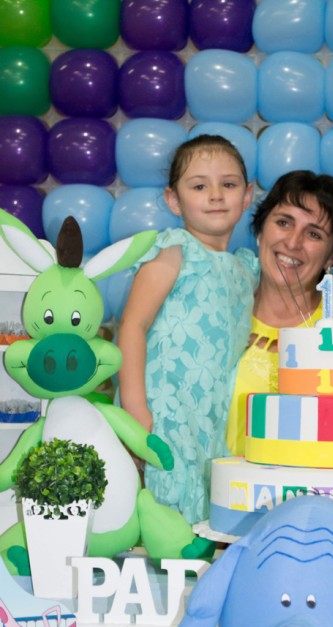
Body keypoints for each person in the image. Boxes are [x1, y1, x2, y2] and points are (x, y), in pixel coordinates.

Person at [118, 134, 259, 525]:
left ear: (247, 195)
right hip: (165, 406)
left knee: (204, 501)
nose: (215, 195)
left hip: (212, 411)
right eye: (199, 186)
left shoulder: (245, 268)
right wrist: (135, 407)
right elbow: (133, 325)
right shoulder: (175, 250)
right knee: (164, 498)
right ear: (174, 200)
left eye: (228, 184)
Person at [226, 170, 333, 457]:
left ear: (332, 256)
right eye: (283, 223)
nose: (293, 242)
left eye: (314, 234)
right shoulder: (216, 308)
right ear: (260, 231)